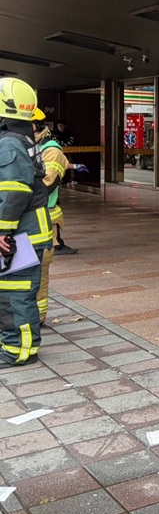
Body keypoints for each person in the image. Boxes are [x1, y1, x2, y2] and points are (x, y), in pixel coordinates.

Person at [0, 78, 54, 367]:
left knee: (14, 294)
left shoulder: (9, 142)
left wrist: (2, 229)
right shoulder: (21, 138)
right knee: (19, 292)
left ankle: (16, 350)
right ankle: (23, 345)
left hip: (20, 235)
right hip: (27, 233)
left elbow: (14, 191)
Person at [31, 110, 86, 322]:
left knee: (36, 271)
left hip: (41, 218)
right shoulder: (27, 146)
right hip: (26, 219)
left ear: (35, 126)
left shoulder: (50, 149)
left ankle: (36, 317)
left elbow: (47, 184)